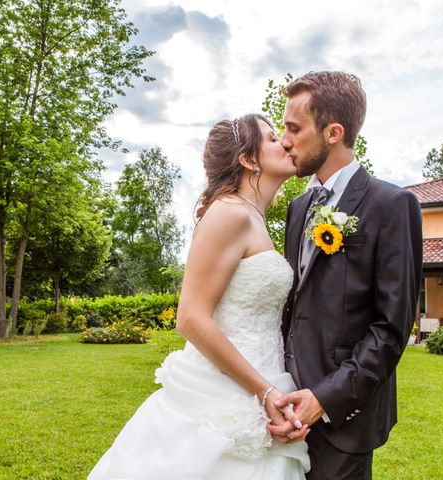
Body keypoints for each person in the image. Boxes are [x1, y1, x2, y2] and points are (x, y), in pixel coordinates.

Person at [87, 113, 310, 480]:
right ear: (248, 159)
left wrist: (272, 393)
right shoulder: (229, 213)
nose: (285, 142)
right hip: (225, 391)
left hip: (265, 376)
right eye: (272, 138)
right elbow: (190, 317)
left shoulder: (256, 218)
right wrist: (264, 392)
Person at [268, 71, 423, 480]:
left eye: (293, 128)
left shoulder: (391, 205)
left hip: (344, 420)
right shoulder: (298, 208)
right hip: (285, 407)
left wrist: (324, 398)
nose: (284, 139)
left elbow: (391, 329)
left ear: (333, 132)